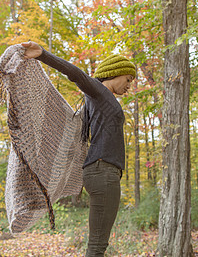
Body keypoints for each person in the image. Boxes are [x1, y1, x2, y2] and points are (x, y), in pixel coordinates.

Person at [21, 41, 135, 257]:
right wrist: (43, 55)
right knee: (97, 246)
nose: (129, 85)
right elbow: (77, 75)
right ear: (115, 73)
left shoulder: (99, 100)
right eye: (128, 79)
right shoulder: (99, 92)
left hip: (102, 172)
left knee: (98, 244)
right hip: (104, 172)